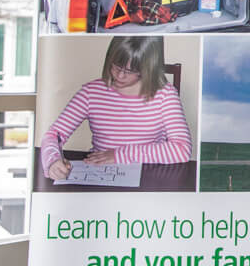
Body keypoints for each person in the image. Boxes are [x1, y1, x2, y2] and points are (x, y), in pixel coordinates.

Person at [40, 36, 190, 180]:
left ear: (148, 69)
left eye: (130, 71)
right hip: (100, 174)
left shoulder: (165, 95)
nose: (120, 75)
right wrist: (52, 160)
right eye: (116, 66)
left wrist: (120, 155)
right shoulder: (91, 92)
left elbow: (182, 150)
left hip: (148, 177)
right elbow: (53, 135)